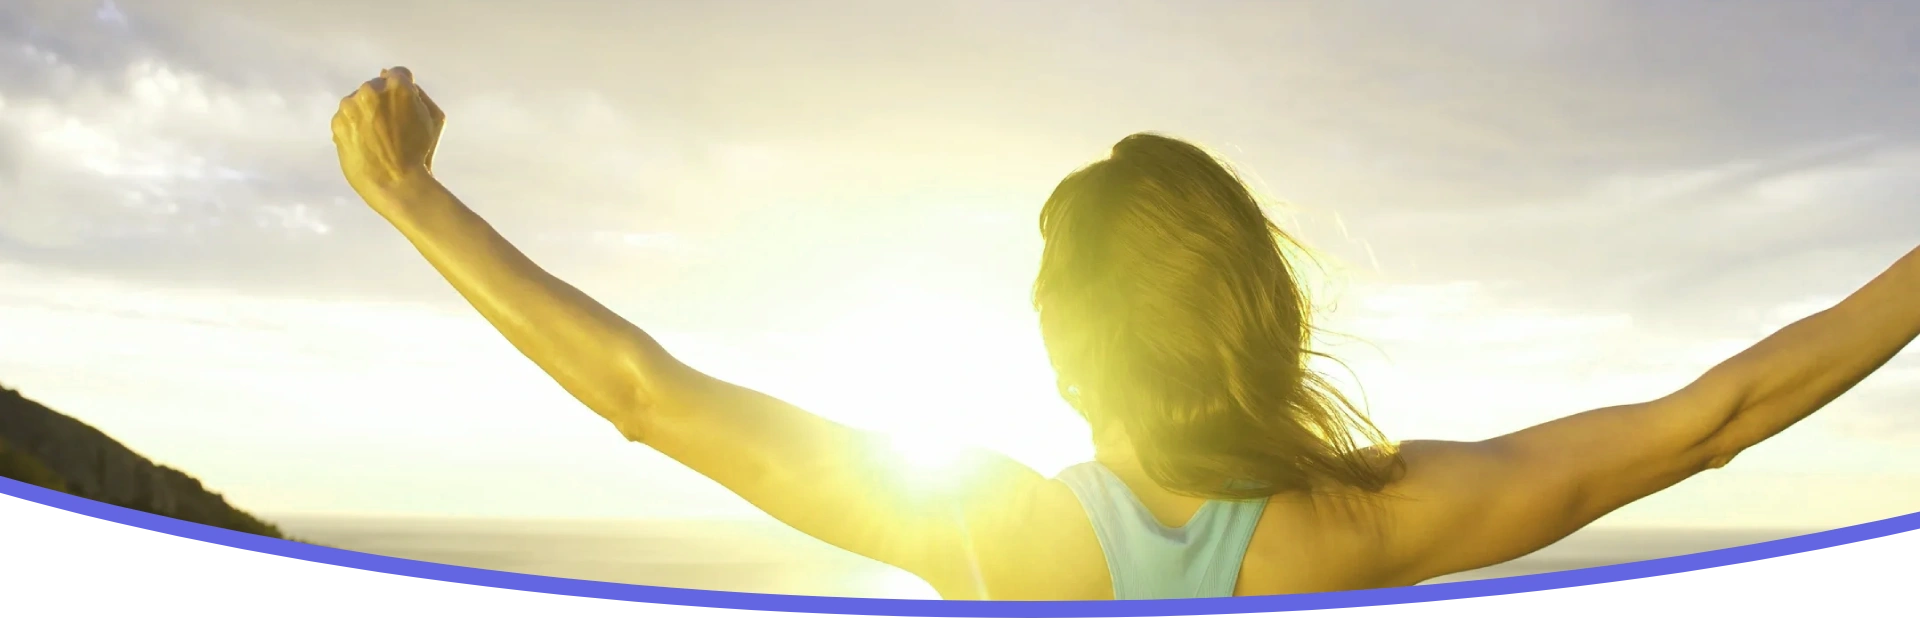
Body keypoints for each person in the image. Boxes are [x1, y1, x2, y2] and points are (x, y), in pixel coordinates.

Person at [330, 67, 1920, 601]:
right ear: (1262, 313)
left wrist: (412, 202)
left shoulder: (1002, 538)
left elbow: (643, 396)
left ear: (1062, 347)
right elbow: (1726, 411)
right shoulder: (1360, 526)